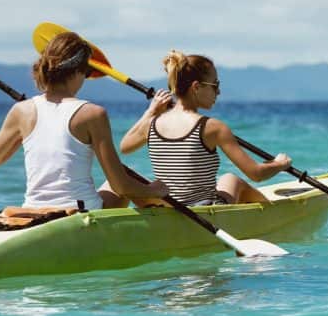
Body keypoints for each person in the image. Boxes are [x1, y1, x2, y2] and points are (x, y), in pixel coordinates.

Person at [0, 32, 169, 210]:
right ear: (77, 71)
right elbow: (120, 186)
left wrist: (23, 135)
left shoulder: (21, 111)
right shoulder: (92, 114)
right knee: (126, 176)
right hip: (80, 210)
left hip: (32, 208)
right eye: (87, 73)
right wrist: (154, 190)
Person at [120, 50, 291, 205]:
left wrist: (150, 112)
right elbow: (256, 174)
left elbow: (125, 147)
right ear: (196, 87)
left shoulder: (152, 123)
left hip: (169, 207)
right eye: (215, 86)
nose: (218, 92)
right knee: (232, 179)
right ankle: (271, 214)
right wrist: (279, 164)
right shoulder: (212, 127)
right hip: (204, 212)